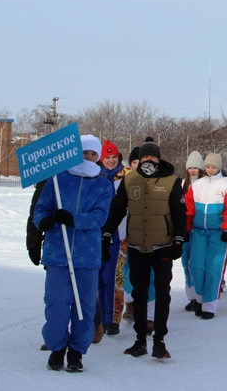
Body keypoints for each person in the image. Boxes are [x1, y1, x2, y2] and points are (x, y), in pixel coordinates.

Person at [33, 135, 114, 372]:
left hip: (87, 256)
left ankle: (77, 351)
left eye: (92, 154)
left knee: (84, 305)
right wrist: (44, 221)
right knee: (57, 303)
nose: (88, 158)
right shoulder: (57, 180)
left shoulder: (102, 185)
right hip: (58, 253)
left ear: (97, 158)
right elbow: (41, 208)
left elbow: (100, 216)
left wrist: (74, 219)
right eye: (83, 153)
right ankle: (57, 348)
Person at [104, 137, 186, 359]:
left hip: (163, 247)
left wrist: (178, 240)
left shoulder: (172, 181)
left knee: (161, 293)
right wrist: (106, 233)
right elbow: (117, 210)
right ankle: (140, 339)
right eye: (145, 157)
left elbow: (180, 215)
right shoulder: (129, 181)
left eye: (152, 156)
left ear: (159, 159)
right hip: (137, 246)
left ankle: (159, 339)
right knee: (138, 294)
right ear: (139, 160)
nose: (149, 160)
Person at [185, 154, 227, 319]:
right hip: (199, 231)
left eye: (213, 167)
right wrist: (186, 229)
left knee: (213, 268)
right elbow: (189, 210)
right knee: (195, 266)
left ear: (219, 167)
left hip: (218, 233)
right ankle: (200, 299)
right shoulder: (197, 185)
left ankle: (209, 305)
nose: (210, 170)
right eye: (207, 167)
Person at [97, 140, 128, 336]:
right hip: (96, 235)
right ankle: (99, 319)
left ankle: (113, 318)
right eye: (107, 157)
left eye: (113, 157)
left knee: (113, 279)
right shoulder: (94, 176)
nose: (110, 161)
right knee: (98, 278)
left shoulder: (126, 177)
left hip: (119, 235)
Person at [180, 151, 204, 314]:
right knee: (185, 263)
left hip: (198, 230)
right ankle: (191, 296)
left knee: (196, 265)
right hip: (185, 230)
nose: (193, 171)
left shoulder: (205, 185)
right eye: (190, 168)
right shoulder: (183, 185)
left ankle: (199, 296)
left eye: (196, 168)